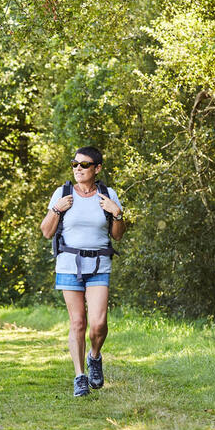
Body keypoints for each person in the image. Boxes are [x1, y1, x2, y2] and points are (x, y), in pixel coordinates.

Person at [40, 146, 125, 397]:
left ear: (97, 169)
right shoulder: (63, 193)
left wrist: (117, 213)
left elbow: (118, 235)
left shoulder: (108, 195)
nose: (78, 168)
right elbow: (46, 232)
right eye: (75, 164)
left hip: (99, 265)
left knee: (98, 324)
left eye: (84, 165)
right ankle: (80, 376)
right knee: (78, 322)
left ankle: (95, 356)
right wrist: (56, 209)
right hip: (68, 263)